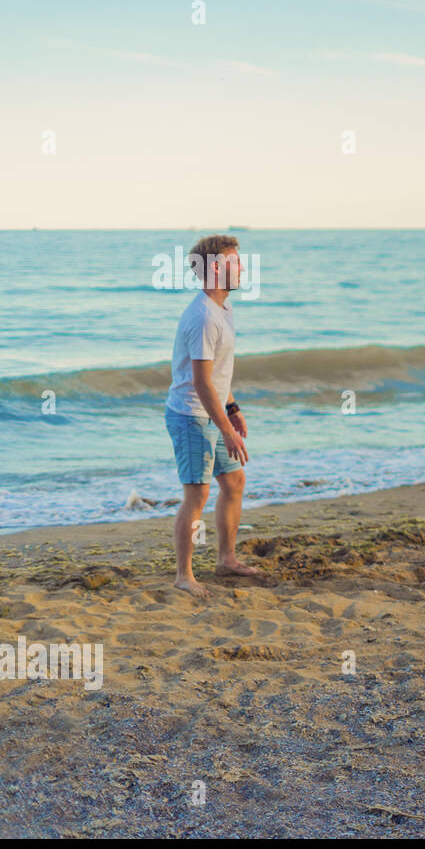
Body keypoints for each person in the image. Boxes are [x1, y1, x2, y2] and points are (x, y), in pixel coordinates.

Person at [164, 235, 258, 597]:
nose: (244, 268)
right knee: (197, 495)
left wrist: (232, 408)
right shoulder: (203, 317)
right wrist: (226, 429)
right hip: (191, 416)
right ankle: (184, 575)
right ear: (216, 268)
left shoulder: (224, 309)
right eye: (236, 261)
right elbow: (202, 383)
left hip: (214, 414)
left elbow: (219, 373)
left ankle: (226, 560)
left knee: (234, 483)